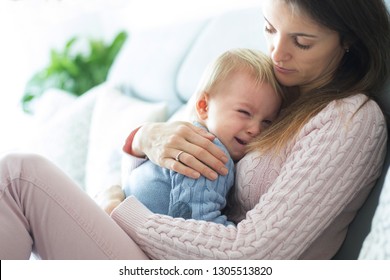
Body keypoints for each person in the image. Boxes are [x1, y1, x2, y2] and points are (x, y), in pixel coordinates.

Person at [0, 0, 389, 260]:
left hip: (189, 260)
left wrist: (123, 213)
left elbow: (253, 256)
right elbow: (151, 173)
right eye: (270, 30)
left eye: (302, 42)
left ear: (348, 43)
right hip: (152, 247)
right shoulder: (259, 85)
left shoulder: (350, 120)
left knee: (19, 177)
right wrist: (142, 139)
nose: (277, 54)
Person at [121, 49, 283, 226]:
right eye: (244, 112)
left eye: (267, 122)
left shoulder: (186, 133)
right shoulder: (210, 153)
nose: (256, 129)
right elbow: (196, 224)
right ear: (204, 106)